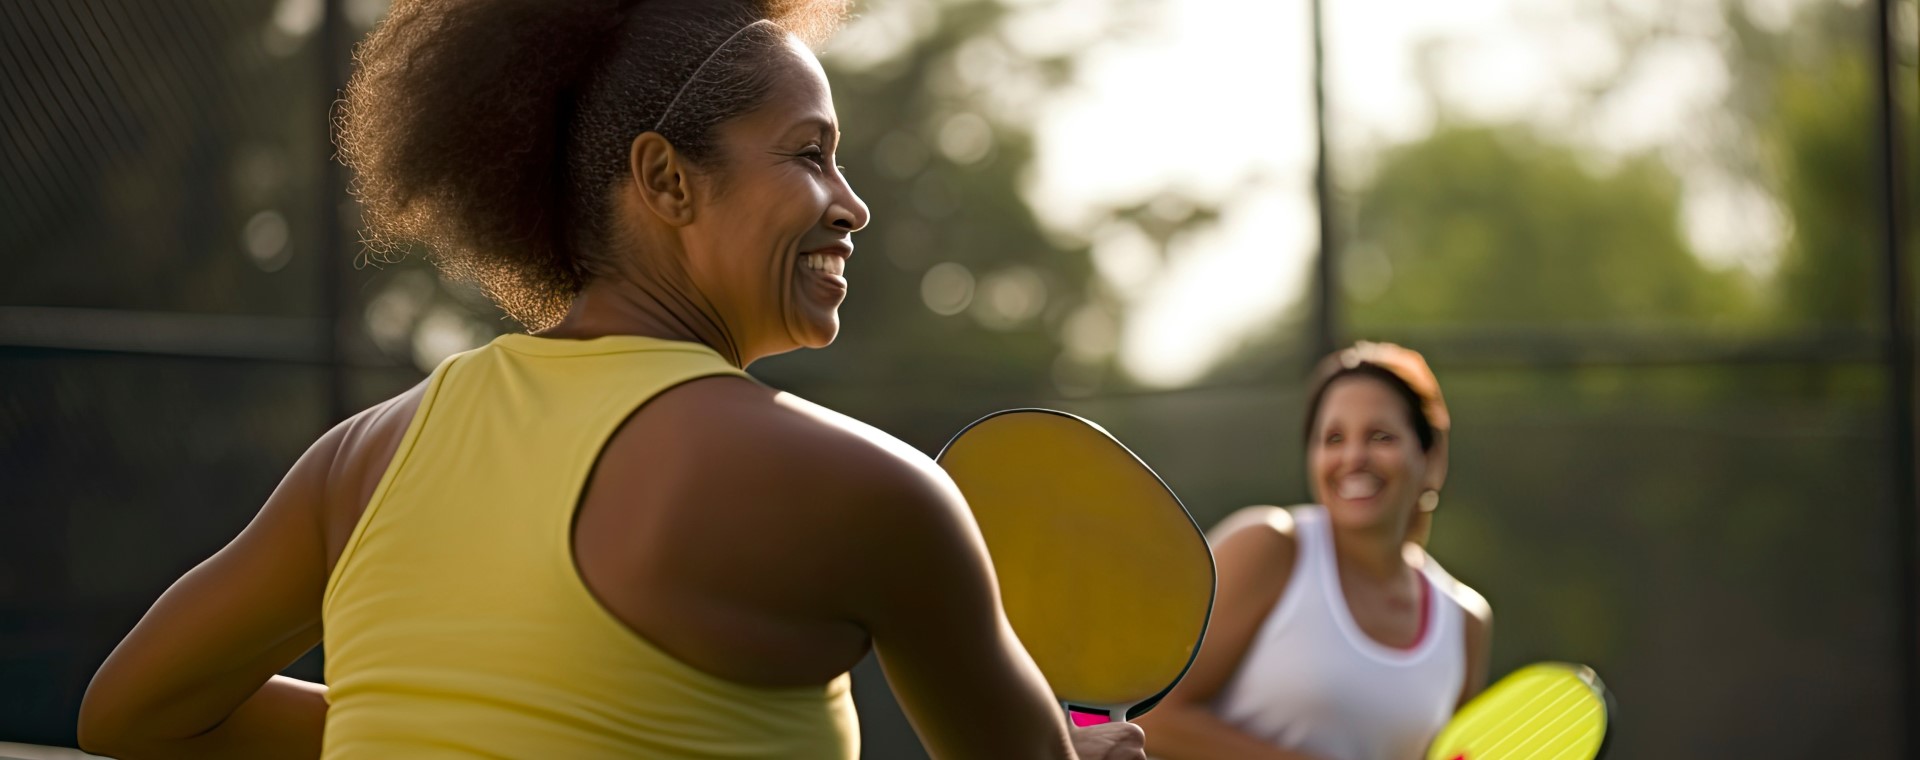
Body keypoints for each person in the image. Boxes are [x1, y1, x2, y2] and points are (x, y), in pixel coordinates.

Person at [74, 1, 1145, 758]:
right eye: (810, 153)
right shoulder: (873, 490)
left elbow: (132, 712)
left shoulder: (360, 457)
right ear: (667, 179)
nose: (851, 202)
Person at [1135, 342, 1492, 760]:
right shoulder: (1268, 546)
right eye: (1333, 438)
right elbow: (1147, 716)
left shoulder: (1466, 621)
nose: (1353, 457)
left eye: (1381, 437)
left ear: (1432, 457)